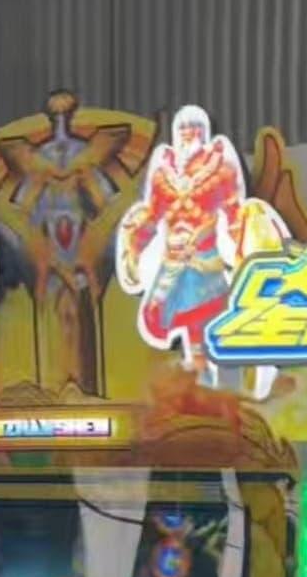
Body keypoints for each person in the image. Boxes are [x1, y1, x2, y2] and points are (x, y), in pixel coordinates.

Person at [117, 104, 286, 392]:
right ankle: (202, 393)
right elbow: (153, 216)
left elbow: (233, 212)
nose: (188, 134)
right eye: (183, 128)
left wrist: (242, 252)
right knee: (172, 326)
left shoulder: (220, 167)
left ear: (204, 132)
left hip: (208, 262)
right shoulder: (163, 173)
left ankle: (231, 393)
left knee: (216, 327)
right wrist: (135, 247)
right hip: (173, 264)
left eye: (194, 128)